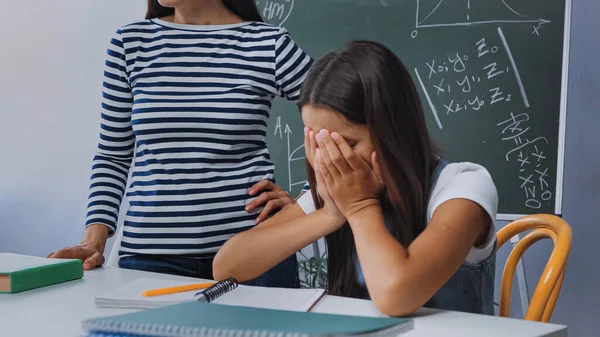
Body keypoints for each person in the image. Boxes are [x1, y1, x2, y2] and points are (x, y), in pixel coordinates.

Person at [213, 40, 499, 315]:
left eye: (345, 145)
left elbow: (395, 295)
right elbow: (228, 265)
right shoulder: (337, 192)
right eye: (318, 143)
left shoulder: (463, 188)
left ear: (392, 133)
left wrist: (360, 207)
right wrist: (330, 214)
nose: (328, 159)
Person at [47, 0, 313, 288]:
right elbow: (113, 155)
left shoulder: (268, 44)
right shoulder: (130, 43)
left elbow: (349, 117)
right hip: (151, 260)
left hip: (257, 256)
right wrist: (93, 241)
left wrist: (307, 201)